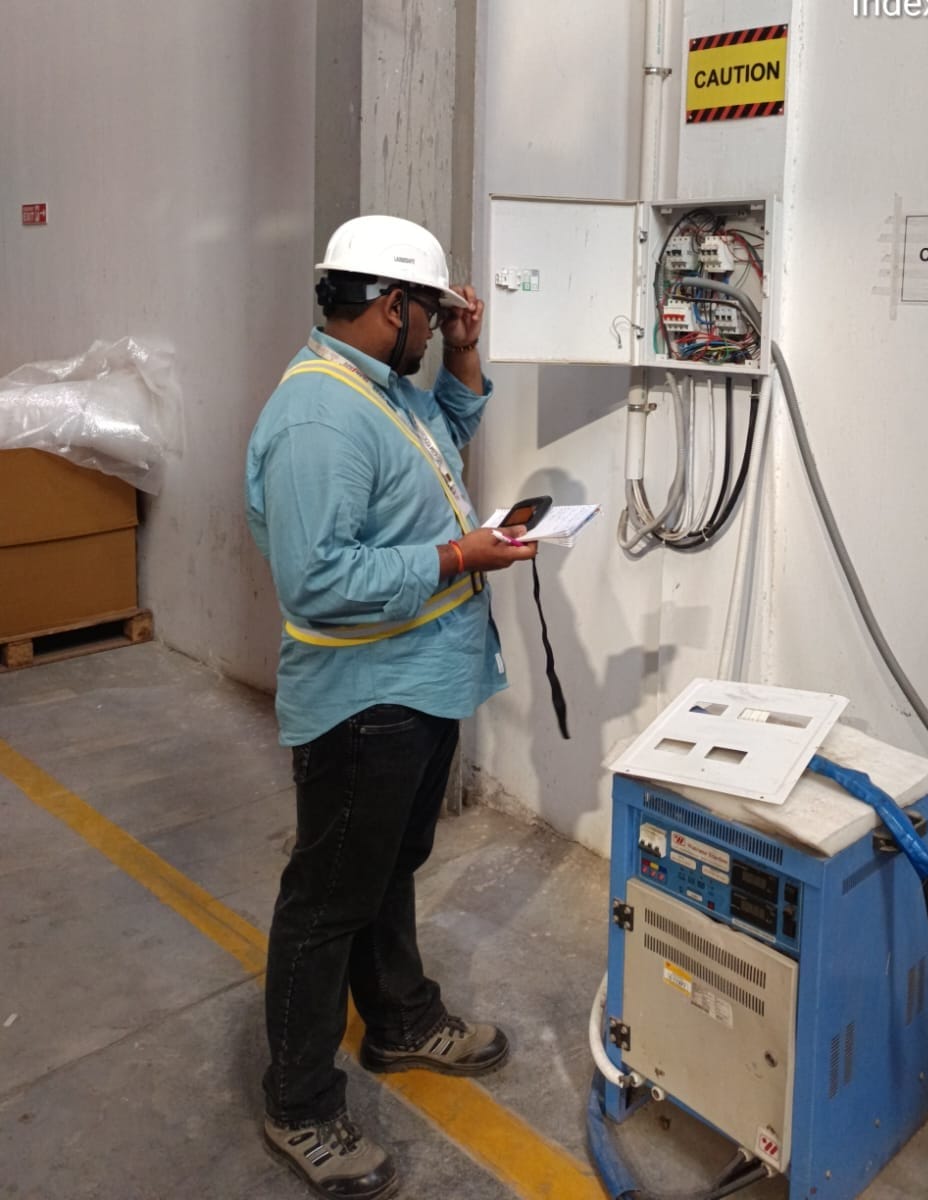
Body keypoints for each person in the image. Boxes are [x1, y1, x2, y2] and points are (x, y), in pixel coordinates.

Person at [245, 214, 536, 1199]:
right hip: (364, 700)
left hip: (416, 682)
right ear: (391, 306)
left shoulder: (380, 389)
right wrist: (459, 555)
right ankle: (298, 1104)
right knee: (327, 900)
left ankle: (399, 1018)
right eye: (431, 313)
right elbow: (316, 578)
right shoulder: (319, 418)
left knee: (384, 867)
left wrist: (464, 355)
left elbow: (439, 441)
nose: (436, 327)